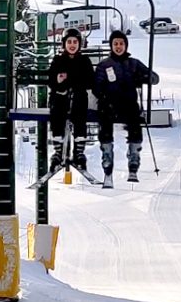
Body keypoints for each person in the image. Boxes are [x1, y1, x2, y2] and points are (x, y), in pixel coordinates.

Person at [93, 30, 159, 185]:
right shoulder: (104, 65)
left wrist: (143, 77)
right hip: (109, 103)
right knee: (105, 119)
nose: (118, 47)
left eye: (121, 44)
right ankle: (107, 155)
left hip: (128, 103)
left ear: (126, 46)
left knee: (135, 119)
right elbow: (96, 86)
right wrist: (103, 94)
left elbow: (154, 78)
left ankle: (134, 155)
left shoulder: (133, 63)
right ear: (111, 46)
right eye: (115, 44)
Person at [48, 28, 94, 171]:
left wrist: (73, 83)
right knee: (57, 116)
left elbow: (90, 81)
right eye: (69, 42)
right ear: (64, 44)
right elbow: (52, 82)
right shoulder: (58, 60)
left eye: (75, 42)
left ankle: (78, 152)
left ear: (79, 44)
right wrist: (60, 84)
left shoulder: (84, 61)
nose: (72, 45)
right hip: (61, 98)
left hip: (78, 98)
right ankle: (58, 151)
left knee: (80, 116)